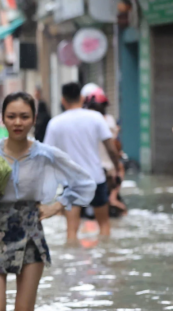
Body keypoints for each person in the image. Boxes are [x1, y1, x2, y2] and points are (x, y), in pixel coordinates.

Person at [0, 92, 96, 311]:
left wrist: (57, 206)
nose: (17, 122)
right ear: (2, 119)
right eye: (11, 116)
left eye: (24, 116)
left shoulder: (45, 154)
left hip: (31, 233)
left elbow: (85, 182)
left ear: (34, 119)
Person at [43, 82, 121, 241]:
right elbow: (111, 148)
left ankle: (73, 261)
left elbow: (46, 156)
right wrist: (117, 169)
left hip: (71, 182)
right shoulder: (96, 118)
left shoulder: (55, 123)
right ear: (82, 98)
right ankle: (106, 259)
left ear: (63, 100)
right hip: (96, 179)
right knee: (104, 225)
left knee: (71, 230)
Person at [84, 87, 127, 215]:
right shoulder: (109, 121)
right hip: (106, 171)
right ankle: (113, 197)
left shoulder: (84, 121)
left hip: (87, 171)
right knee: (120, 167)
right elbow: (114, 148)